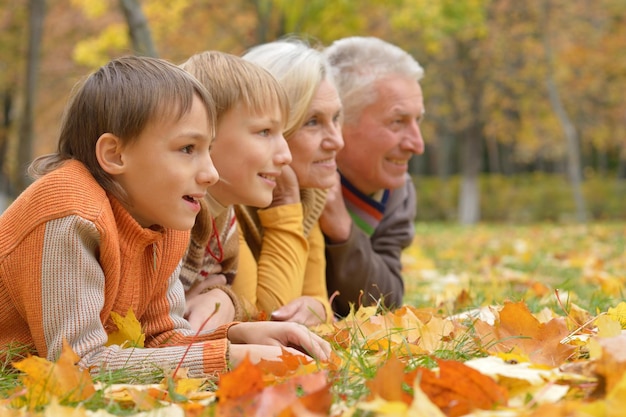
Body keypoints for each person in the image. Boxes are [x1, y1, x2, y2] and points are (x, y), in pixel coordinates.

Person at [0, 56, 331, 378]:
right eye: (188, 149)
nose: (211, 174)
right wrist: (227, 357)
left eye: (208, 149)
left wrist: (240, 336)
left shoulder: (165, 219)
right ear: (115, 155)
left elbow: (163, 337)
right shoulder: (70, 213)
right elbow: (77, 365)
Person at [178, 51, 292, 330]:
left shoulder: (224, 218)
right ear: (205, 134)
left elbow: (248, 306)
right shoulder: (169, 217)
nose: (285, 155)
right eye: (264, 132)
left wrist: (222, 299)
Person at [234, 38, 344, 325]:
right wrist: (285, 207)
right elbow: (264, 319)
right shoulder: (227, 202)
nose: (337, 140)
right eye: (312, 122)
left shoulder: (310, 193)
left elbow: (318, 299)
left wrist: (317, 308)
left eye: (336, 118)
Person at [320, 36, 425, 317]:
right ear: (340, 122)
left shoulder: (397, 192)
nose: (417, 144)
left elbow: (385, 302)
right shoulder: (280, 176)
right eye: (397, 122)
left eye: (418, 120)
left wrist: (343, 231)